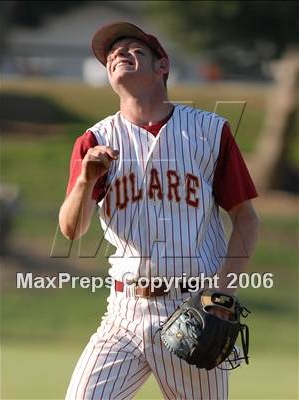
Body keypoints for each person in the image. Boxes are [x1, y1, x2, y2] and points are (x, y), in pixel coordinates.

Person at [59, 21, 259, 400]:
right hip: (122, 313)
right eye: (112, 55)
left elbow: (246, 219)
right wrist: (85, 179)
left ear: (161, 66)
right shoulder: (95, 141)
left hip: (192, 310)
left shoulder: (209, 131)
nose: (119, 54)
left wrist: (221, 293)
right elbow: (71, 230)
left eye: (134, 50)